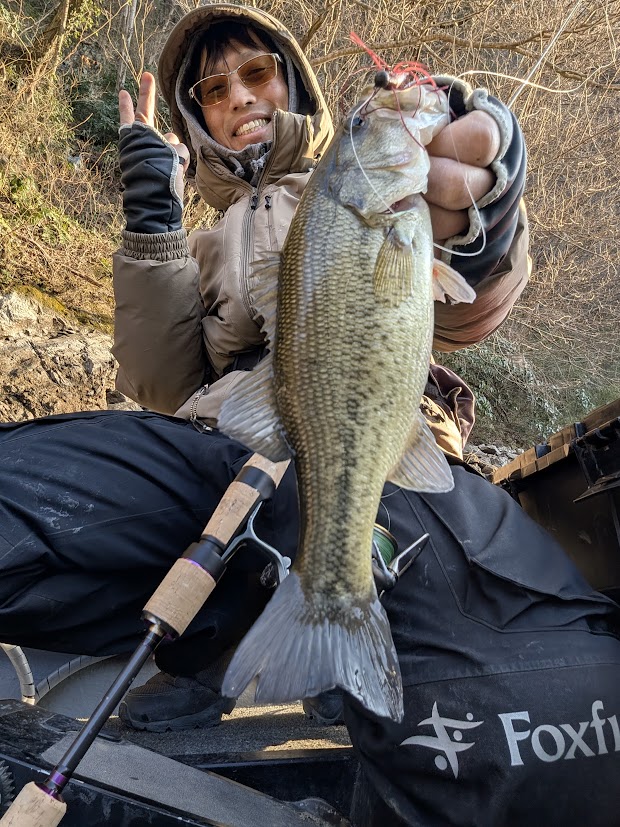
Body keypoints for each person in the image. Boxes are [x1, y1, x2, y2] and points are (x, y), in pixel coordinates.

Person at [0, 4, 619, 825]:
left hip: (379, 451)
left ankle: (316, 624)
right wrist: (152, 214)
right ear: (198, 117)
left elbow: (472, 301)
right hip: (219, 456)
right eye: (213, 89)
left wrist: (488, 205)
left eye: (256, 72)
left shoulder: (371, 189)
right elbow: (159, 381)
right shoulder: (203, 241)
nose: (238, 96)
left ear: (294, 84)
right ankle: (233, 628)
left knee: (533, 711)